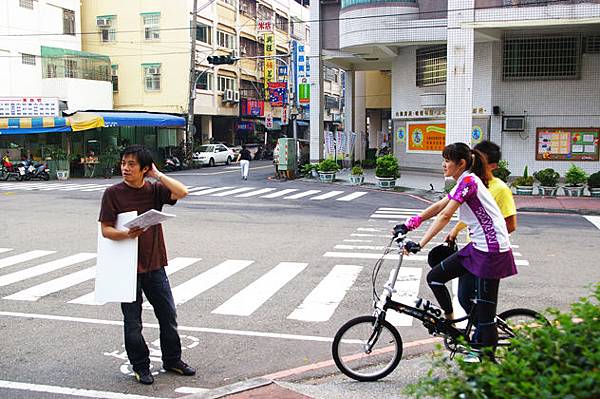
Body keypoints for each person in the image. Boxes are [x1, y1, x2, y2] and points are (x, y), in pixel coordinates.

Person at [398, 142, 517, 354]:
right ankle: (451, 325)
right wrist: (409, 224)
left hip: (492, 251)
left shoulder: (470, 182)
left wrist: (420, 244)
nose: (443, 165)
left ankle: (487, 368)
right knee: (434, 277)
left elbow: (445, 215)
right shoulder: (464, 181)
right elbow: (439, 206)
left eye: (447, 161)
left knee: (486, 317)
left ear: (461, 163)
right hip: (478, 248)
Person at [99, 145, 195, 385]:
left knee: (168, 315)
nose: (125, 168)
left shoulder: (154, 189)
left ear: (144, 169)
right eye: (123, 163)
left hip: (155, 264)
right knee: (133, 323)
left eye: (131, 164)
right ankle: (141, 366)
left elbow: (182, 192)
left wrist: (158, 174)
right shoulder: (113, 193)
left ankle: (172, 360)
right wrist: (126, 234)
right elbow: (106, 230)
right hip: (127, 267)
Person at [446, 140, 517, 317]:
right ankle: (478, 332)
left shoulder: (500, 188)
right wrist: (455, 231)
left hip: (488, 253)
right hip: (473, 250)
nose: (474, 161)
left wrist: (489, 239)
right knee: (464, 296)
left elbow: (510, 224)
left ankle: (483, 336)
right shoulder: (472, 181)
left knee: (480, 302)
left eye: (479, 159)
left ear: (492, 165)